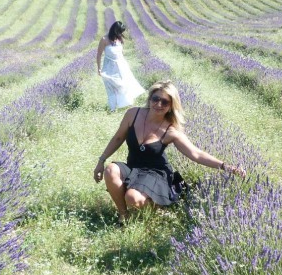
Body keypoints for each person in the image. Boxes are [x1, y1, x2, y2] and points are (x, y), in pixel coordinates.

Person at [93, 80, 245, 223]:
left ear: (172, 105)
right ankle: (124, 216)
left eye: (165, 102)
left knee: (132, 198)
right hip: (133, 167)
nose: (158, 104)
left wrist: (226, 166)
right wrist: (101, 160)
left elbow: (196, 154)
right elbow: (118, 138)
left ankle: (159, 206)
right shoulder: (133, 114)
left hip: (156, 173)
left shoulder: (170, 130)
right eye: (155, 99)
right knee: (110, 170)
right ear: (150, 98)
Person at [97, 21, 146, 112]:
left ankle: (126, 104)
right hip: (109, 68)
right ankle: (112, 109)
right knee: (111, 88)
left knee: (124, 85)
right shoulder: (104, 39)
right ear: (115, 30)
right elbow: (99, 54)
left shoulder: (119, 39)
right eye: (119, 32)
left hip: (121, 67)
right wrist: (99, 68)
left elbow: (121, 54)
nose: (121, 34)